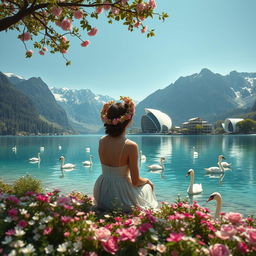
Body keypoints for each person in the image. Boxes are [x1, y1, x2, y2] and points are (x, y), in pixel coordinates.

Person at [93, 96, 158, 212]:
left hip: (102, 189)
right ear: (128, 120)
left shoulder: (102, 140)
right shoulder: (130, 146)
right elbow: (136, 181)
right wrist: (147, 181)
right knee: (148, 187)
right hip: (120, 193)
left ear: (107, 119)